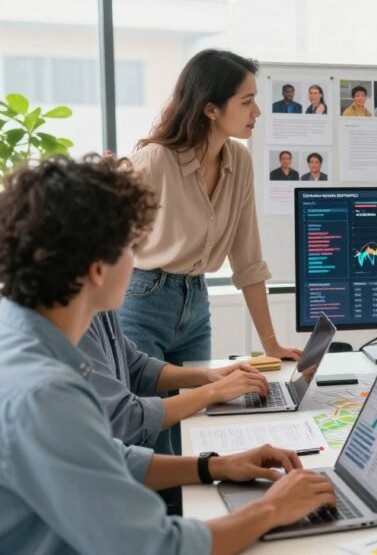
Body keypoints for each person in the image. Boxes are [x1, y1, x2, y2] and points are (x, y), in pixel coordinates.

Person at [0, 155, 337, 555]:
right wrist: (272, 507)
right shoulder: (46, 393)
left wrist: (214, 465)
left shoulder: (26, 331)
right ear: (96, 270)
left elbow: (106, 458)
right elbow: (157, 546)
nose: (138, 259)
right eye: (130, 246)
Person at [122, 49, 303, 368]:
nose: (257, 111)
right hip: (141, 300)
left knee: (196, 414)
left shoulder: (240, 160)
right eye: (246, 102)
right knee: (151, 416)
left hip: (196, 303)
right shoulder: (154, 162)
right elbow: (101, 242)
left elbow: (248, 260)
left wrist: (271, 345)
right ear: (211, 109)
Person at [79, 310, 270, 448]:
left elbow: (137, 367)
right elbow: (126, 419)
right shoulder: (76, 329)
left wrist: (208, 376)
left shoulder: (101, 311)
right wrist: (214, 392)